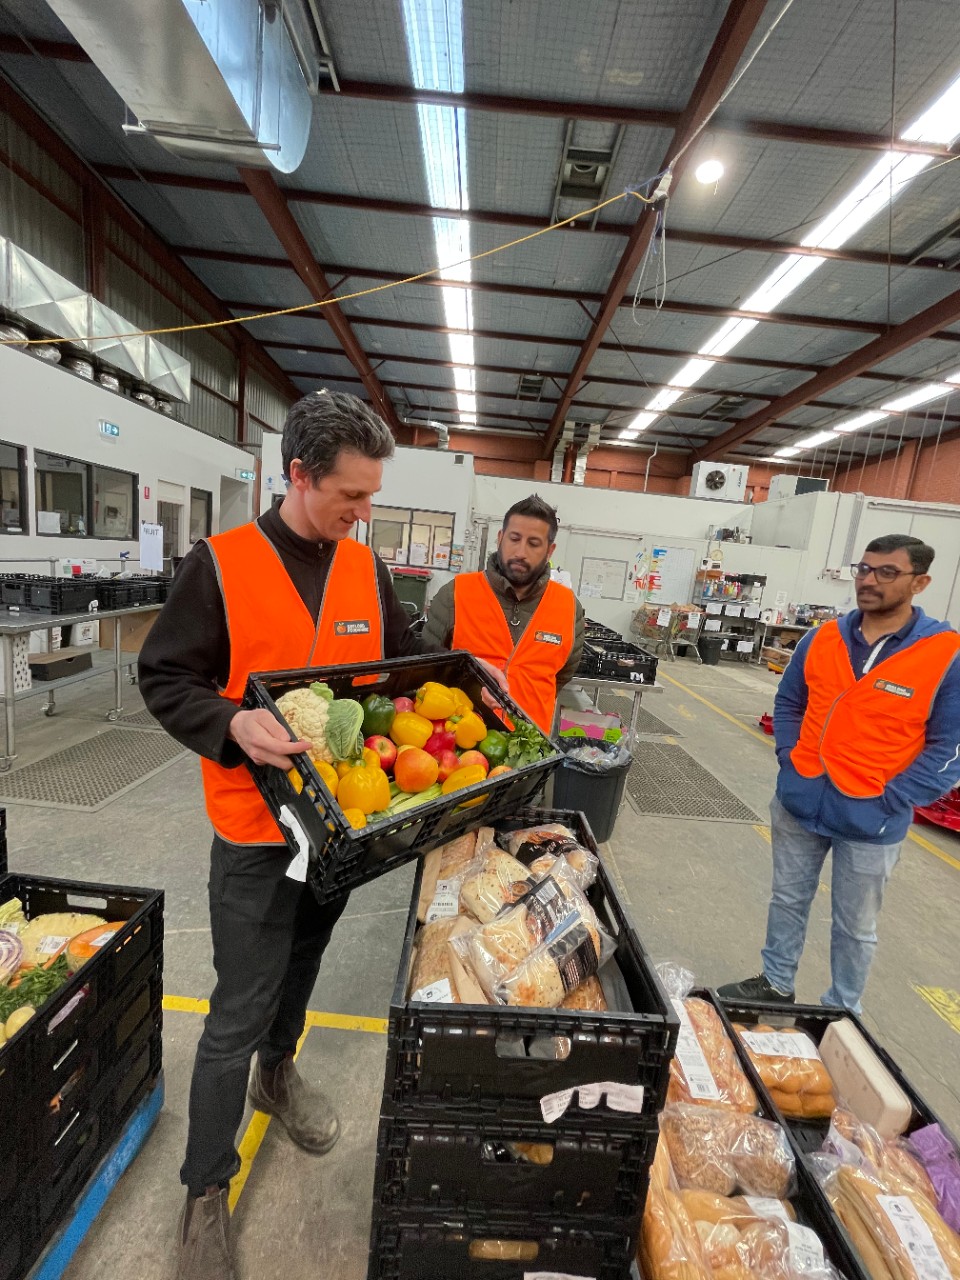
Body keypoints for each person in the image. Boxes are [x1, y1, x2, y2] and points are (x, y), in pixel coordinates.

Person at [139, 392, 435, 1279]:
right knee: (237, 1007)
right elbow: (165, 676)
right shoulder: (221, 566)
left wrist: (456, 671)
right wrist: (231, 722)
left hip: (339, 827)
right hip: (254, 833)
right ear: (298, 475)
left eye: (371, 495)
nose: (364, 513)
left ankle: (280, 1072)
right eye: (351, 495)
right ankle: (204, 1192)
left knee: (303, 966)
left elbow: (398, 660)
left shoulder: (363, 567)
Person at [718, 534, 960, 1014]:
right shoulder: (823, 637)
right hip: (800, 800)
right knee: (787, 899)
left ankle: (842, 1009)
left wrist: (894, 798)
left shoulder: (944, 654)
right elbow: (790, 702)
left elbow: (949, 747)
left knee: (855, 926)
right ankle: (776, 982)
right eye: (863, 569)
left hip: (873, 818)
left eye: (886, 572)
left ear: (920, 582)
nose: (869, 580)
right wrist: (790, 760)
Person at [422, 494, 585, 734]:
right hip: (461, 742)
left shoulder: (569, 607)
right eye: (514, 539)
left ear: (550, 550)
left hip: (530, 745)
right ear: (500, 538)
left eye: (533, 543)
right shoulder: (456, 594)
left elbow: (562, 674)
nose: (521, 551)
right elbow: (426, 664)